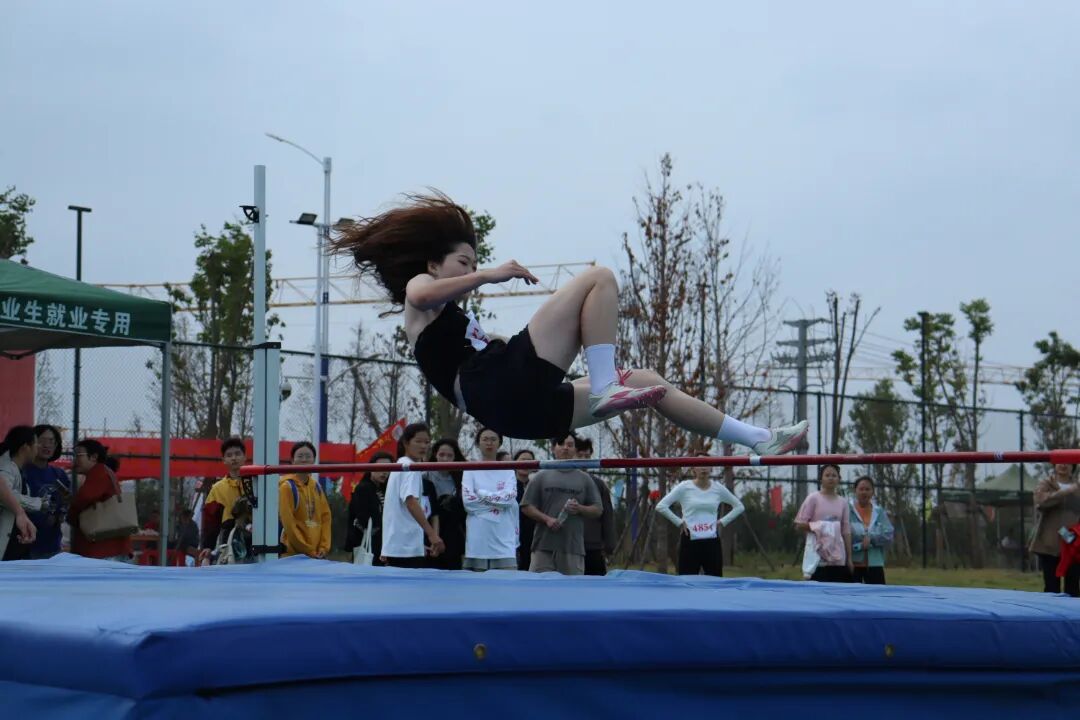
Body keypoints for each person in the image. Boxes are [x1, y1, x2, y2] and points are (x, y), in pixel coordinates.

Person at [331, 193, 808, 449]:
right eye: (464, 262)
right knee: (599, 278)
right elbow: (422, 292)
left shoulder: (454, 322)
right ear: (434, 263)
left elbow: (483, 345)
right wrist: (490, 274)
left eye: (475, 263)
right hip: (497, 389)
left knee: (648, 381)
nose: (471, 270)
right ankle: (604, 385)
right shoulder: (422, 294)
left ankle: (756, 439)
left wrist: (506, 337)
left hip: (519, 410)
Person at [520, 432, 602, 575]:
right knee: (538, 587)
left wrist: (579, 508)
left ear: (575, 449)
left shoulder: (585, 479)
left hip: (573, 548)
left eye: (570, 445)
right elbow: (526, 506)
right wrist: (547, 519)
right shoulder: (541, 476)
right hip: (543, 547)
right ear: (553, 448)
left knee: (572, 588)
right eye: (561, 444)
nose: (565, 448)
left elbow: (598, 509)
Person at [656, 453, 745, 577]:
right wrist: (679, 522)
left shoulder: (718, 488)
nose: (703, 468)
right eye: (699, 464)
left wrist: (722, 522)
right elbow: (661, 506)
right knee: (687, 581)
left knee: (714, 582)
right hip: (690, 540)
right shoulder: (684, 487)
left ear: (711, 467)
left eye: (707, 464)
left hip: (711, 541)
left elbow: (739, 506)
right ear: (693, 468)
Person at [381, 423, 444, 568]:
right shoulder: (409, 467)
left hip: (400, 546)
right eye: (418, 441)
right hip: (405, 550)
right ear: (406, 443)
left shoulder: (400, 465)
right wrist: (432, 534)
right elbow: (411, 502)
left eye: (427, 442)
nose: (423, 446)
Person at [461, 427, 519, 571]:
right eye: (485, 439)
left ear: (499, 443)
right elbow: (469, 502)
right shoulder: (470, 469)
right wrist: (497, 502)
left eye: (493, 439)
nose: (489, 443)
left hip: (504, 544)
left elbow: (509, 499)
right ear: (478, 443)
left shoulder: (508, 470)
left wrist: (481, 493)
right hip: (477, 543)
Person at [68, 439, 132, 562]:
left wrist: (71, 514)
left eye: (78, 455)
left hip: (103, 549)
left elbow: (85, 497)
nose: (74, 460)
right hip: (112, 548)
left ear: (93, 457)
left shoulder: (99, 472)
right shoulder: (106, 472)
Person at [794, 464, 853, 582]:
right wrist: (820, 527)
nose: (831, 478)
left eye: (834, 475)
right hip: (817, 554)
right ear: (821, 479)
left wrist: (849, 559)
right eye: (827, 475)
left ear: (839, 479)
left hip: (837, 556)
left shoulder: (843, 502)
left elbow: (846, 531)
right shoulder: (813, 498)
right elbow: (799, 525)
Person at [1029, 462, 1080, 596]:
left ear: (1073, 466)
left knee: (1073, 589)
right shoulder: (1045, 484)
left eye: (1068, 463)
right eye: (1060, 462)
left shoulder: (1078, 487)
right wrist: (1063, 493)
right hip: (1049, 544)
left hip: (1073, 545)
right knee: (1051, 589)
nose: (1063, 465)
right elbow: (1040, 503)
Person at [21, 425, 70, 559]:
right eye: (41, 440)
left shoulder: (59, 474)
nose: (47, 445)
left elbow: (66, 501)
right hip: (24, 545)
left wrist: (60, 514)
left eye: (51, 441)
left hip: (52, 545)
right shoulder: (22, 472)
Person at [279, 441, 333, 559]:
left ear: (314, 460)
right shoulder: (287, 487)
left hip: (316, 554)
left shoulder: (316, 487)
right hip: (292, 555)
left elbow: (326, 517)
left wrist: (324, 547)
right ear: (292, 460)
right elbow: (289, 524)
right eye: (300, 456)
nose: (304, 460)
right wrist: (308, 550)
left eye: (308, 456)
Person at [201, 438, 256, 552]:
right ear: (224, 460)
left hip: (257, 537)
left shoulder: (256, 483)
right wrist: (207, 547)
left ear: (245, 457)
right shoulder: (217, 489)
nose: (234, 458)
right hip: (229, 541)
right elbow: (211, 522)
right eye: (229, 455)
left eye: (237, 454)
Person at [575, 437, 616, 575]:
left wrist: (609, 546)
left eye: (587, 456)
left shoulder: (598, 484)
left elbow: (607, 517)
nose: (583, 460)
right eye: (580, 455)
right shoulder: (560, 481)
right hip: (568, 546)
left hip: (593, 546)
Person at [345, 451, 394, 565]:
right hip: (368, 544)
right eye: (380, 468)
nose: (384, 472)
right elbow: (363, 518)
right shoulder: (363, 488)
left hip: (381, 544)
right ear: (371, 468)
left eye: (388, 468)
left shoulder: (385, 489)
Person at [0, 426, 41, 560]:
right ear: (25, 447)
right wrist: (37, 503)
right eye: (36, 444)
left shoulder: (17, 469)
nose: (38, 448)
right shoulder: (6, 468)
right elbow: (4, 493)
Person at [425, 438, 466, 570]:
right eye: (441, 455)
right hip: (430, 529)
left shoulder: (461, 477)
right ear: (435, 455)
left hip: (453, 534)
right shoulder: (425, 474)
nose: (445, 459)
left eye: (449, 455)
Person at [848, 476, 894, 585]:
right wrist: (860, 544)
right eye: (861, 489)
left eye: (867, 489)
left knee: (878, 594)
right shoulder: (847, 510)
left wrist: (871, 539)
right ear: (855, 491)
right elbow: (845, 533)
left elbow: (888, 534)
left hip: (875, 564)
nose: (864, 492)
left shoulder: (879, 511)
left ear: (873, 492)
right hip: (853, 564)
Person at [513, 448, 537, 570]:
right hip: (513, 535)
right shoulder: (509, 485)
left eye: (529, 461)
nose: (526, 463)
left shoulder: (536, 485)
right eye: (522, 460)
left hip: (533, 536)